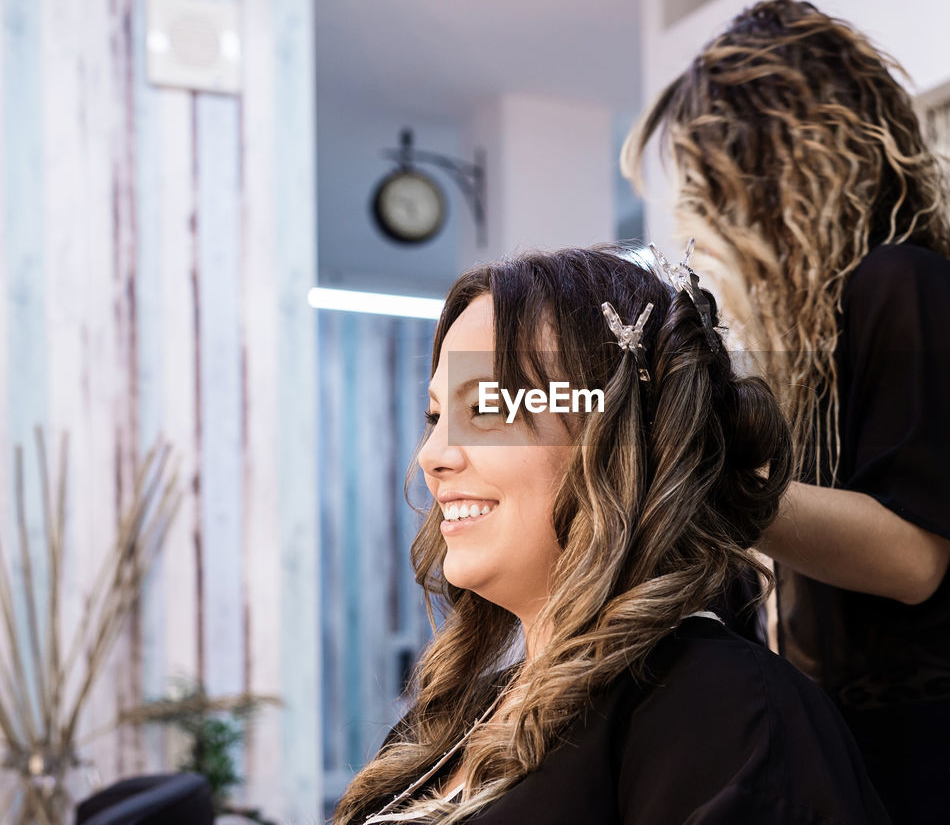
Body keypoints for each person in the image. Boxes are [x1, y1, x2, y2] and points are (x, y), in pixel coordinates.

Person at [624, 0, 950, 825]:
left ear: (775, 169)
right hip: (873, 759)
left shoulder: (904, 289)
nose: (695, 215)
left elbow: (911, 557)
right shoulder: (817, 341)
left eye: (708, 184)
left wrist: (708, 479)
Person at [331, 247, 890, 825]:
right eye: (434, 417)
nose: (432, 456)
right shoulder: (451, 716)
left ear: (620, 438)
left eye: (486, 409)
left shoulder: (722, 709)